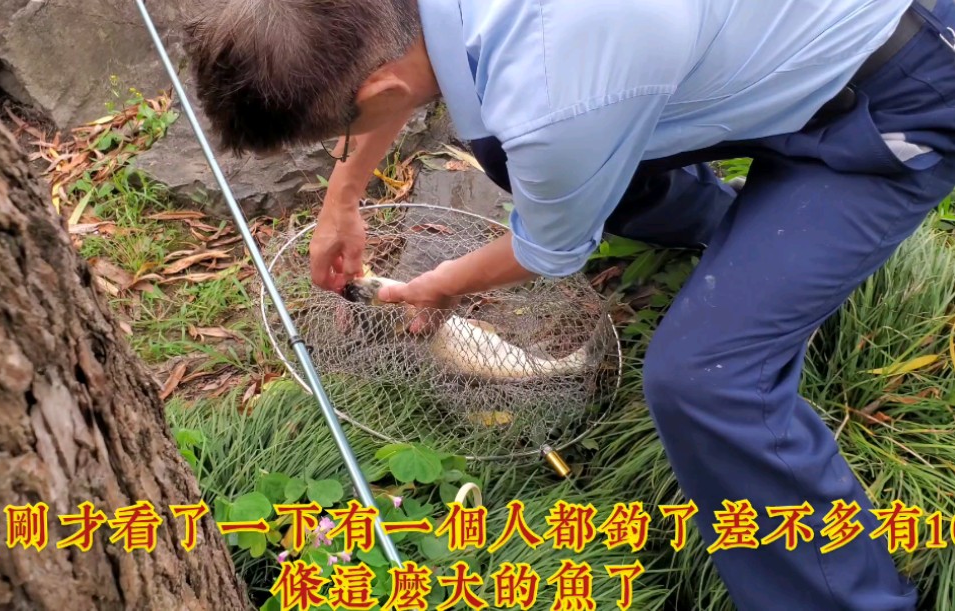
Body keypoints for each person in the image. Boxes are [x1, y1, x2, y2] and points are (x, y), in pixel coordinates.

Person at [182, 0, 955, 608]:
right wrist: (341, 196)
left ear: (379, 92)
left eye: (346, 129)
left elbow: (550, 250)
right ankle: (737, 237)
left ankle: (853, 598)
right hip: (752, 42)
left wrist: (440, 284)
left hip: (897, 96)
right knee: (505, 149)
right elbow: (392, 70)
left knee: (702, 381)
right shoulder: (512, 61)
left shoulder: (554, 93)